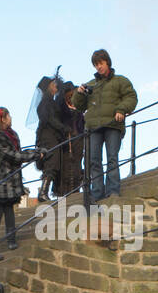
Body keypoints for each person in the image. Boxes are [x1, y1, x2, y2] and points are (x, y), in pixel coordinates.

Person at [73, 49, 137, 203]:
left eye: (101, 63)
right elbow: (78, 105)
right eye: (96, 64)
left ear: (107, 62)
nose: (99, 67)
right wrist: (79, 93)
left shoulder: (121, 81)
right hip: (94, 127)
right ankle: (97, 192)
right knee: (93, 159)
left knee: (112, 158)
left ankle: (113, 191)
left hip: (113, 124)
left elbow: (131, 97)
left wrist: (122, 110)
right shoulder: (91, 84)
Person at [0, 106, 41, 260]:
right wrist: (36, 154)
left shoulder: (11, 135)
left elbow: (17, 155)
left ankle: (11, 239)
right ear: (2, 119)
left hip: (9, 179)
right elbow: (14, 156)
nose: (11, 118)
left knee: (9, 207)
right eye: (8, 116)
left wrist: (35, 153)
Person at [33, 76, 68, 202]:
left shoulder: (49, 102)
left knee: (53, 162)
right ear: (48, 87)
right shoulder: (46, 103)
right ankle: (43, 192)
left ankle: (45, 192)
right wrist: (63, 128)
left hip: (51, 136)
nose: (55, 86)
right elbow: (50, 119)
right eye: (53, 84)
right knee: (51, 162)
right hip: (48, 137)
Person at [55, 81, 86, 198]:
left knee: (77, 164)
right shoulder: (62, 107)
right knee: (67, 165)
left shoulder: (78, 107)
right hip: (66, 140)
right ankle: (65, 192)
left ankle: (76, 189)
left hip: (78, 139)